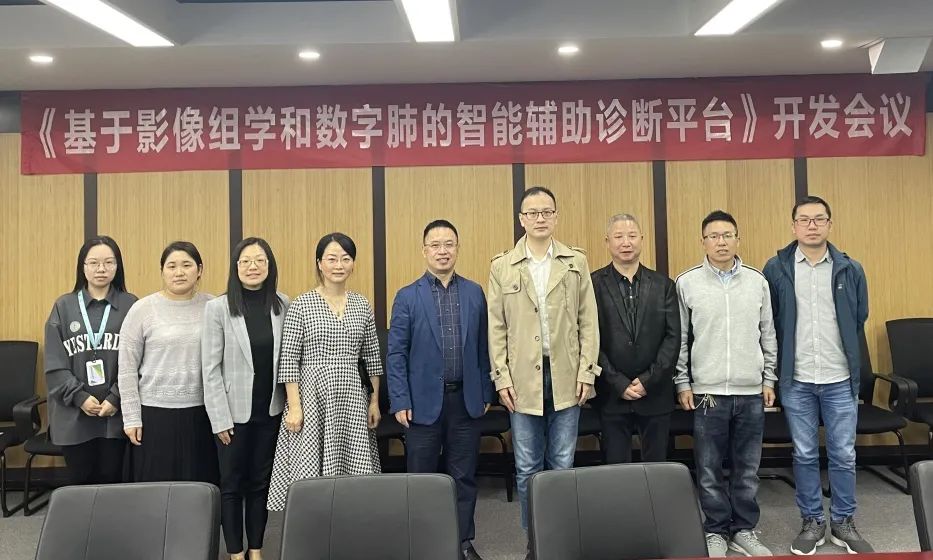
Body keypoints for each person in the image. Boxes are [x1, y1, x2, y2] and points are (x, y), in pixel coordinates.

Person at [487, 186, 600, 559]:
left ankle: (560, 542)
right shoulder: (503, 266)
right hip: (522, 380)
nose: (540, 218)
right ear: (521, 219)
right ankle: (534, 541)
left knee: (562, 465)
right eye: (532, 213)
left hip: (566, 375)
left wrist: (587, 372)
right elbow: (496, 327)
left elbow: (588, 321)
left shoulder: (575, 261)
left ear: (556, 216)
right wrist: (501, 378)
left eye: (546, 212)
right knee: (527, 467)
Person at [762, 196, 872, 555]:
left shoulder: (850, 268)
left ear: (829, 224)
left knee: (843, 454)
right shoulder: (776, 268)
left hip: (839, 377)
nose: (812, 225)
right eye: (804, 219)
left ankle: (843, 521)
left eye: (819, 219)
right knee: (805, 453)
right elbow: (770, 321)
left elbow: (859, 316)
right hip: (797, 379)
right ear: (793, 226)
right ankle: (812, 520)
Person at [387, 220, 495, 560]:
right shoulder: (407, 296)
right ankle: (423, 545)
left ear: (457, 249)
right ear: (424, 251)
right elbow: (396, 354)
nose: (442, 251)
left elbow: (484, 347)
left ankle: (462, 542)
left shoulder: (474, 292)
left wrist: (486, 392)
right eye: (435, 245)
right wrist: (400, 399)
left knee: (463, 477)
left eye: (449, 244)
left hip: (466, 401)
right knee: (422, 480)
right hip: (421, 405)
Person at [674, 210, 777, 557]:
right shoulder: (687, 282)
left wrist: (769, 378)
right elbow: (680, 339)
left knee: (747, 469)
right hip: (708, 393)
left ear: (738, 239)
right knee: (709, 469)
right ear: (703, 241)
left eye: (727, 235)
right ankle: (716, 530)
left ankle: (744, 530)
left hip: (751, 391)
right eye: (714, 236)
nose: (721, 242)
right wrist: (682, 382)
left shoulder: (757, 281)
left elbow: (768, 334)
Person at [266, 233, 383, 511]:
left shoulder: (361, 304)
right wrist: (295, 407)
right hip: (312, 397)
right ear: (319, 263)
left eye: (345, 259)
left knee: (354, 468)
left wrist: (374, 401)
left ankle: (351, 524)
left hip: (352, 397)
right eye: (331, 259)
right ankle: (314, 526)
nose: (338, 265)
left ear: (353, 264)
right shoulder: (301, 304)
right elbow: (289, 360)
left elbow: (372, 358)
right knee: (310, 471)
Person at [202, 238, 289, 560]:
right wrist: (219, 419)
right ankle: (235, 552)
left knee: (260, 484)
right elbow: (210, 369)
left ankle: (256, 549)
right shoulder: (218, 308)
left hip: (270, 411)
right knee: (232, 485)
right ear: (236, 267)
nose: (253, 267)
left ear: (270, 266)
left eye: (260, 261)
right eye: (246, 261)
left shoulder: (283, 304)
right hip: (232, 415)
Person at [118, 241, 218, 483]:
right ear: (162, 271)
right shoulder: (142, 309)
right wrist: (131, 417)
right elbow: (127, 368)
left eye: (187, 265)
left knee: (199, 486)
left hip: (203, 413)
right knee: (156, 487)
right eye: (171, 266)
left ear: (200, 270)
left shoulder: (214, 307)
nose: (179, 272)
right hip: (154, 415)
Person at [44, 236, 137, 485]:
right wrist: (80, 397)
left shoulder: (131, 305)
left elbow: (140, 361)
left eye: (109, 262)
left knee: (112, 481)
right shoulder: (63, 306)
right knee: (80, 483)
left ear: (117, 266)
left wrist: (116, 397)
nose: (101, 269)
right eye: (94, 263)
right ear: (82, 267)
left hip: (115, 415)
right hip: (74, 416)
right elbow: (54, 364)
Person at [591, 214, 679, 463]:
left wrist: (648, 380)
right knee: (616, 470)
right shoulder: (592, 284)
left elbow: (673, 338)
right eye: (618, 236)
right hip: (611, 393)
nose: (626, 242)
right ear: (607, 241)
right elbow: (588, 339)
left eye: (631, 236)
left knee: (656, 467)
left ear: (641, 239)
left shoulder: (664, 285)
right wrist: (617, 381)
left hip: (655, 392)